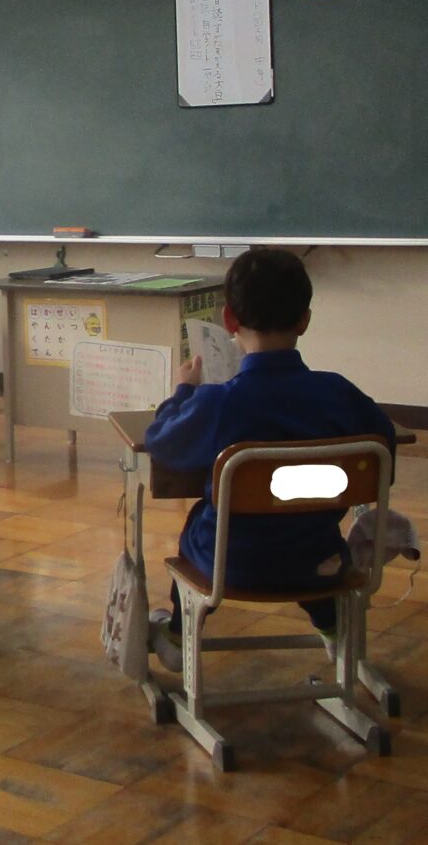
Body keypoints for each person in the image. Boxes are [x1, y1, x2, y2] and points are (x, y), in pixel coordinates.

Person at [144, 248, 396, 671]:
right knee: (302, 530)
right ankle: (334, 627)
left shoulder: (218, 402)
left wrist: (184, 391)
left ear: (229, 319)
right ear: (305, 320)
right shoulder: (338, 393)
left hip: (230, 565)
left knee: (201, 523)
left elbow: (162, 443)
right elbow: (383, 453)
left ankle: (177, 634)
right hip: (319, 561)